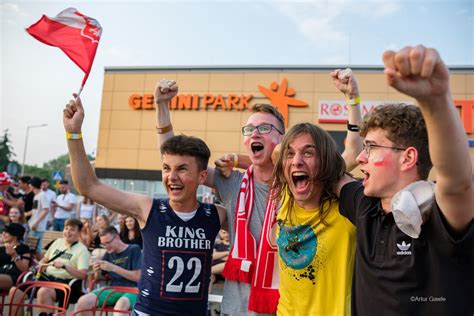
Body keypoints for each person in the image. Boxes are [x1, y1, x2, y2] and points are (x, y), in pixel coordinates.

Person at [335, 46, 474, 315]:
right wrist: (353, 101)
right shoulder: (364, 203)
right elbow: (325, 172)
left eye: (372, 148)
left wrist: (436, 101)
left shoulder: (440, 213)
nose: (361, 159)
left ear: (408, 158)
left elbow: (458, 182)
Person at [63, 94, 227, 315]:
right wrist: (74, 133)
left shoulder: (216, 215)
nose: (172, 177)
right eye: (167, 168)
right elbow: (88, 186)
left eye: (182, 169)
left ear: (202, 176)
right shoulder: (148, 208)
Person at [271, 122, 356, 315]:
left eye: (308, 153)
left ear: (325, 162)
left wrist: (332, 172)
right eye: (290, 153)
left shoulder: (345, 209)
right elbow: (277, 153)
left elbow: (354, 150)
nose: (296, 161)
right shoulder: (286, 196)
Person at [9, 218, 90, 316]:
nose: (68, 232)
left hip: (67, 284)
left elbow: (83, 274)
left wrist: (65, 266)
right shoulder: (57, 242)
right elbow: (45, 259)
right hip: (47, 279)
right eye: (66, 228)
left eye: (72, 229)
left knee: (44, 291)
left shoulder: (82, 250)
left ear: (79, 232)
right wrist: (40, 265)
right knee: (15, 291)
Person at [76, 226, 141, 315]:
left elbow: (137, 277)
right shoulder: (108, 253)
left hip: (133, 289)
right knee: (83, 302)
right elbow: (99, 278)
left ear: (117, 238)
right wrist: (97, 270)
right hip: (113, 289)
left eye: (108, 242)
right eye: (103, 244)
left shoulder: (134, 249)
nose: (106, 246)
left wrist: (113, 268)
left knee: (120, 306)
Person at [0, 223, 31, 290]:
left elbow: (24, 269)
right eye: (3, 231)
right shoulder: (2, 248)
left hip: (14, 276)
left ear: (15, 235)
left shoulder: (23, 248)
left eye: (6, 232)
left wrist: (14, 255)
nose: (3, 234)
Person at [28, 177, 50, 255]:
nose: (28, 186)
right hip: (33, 225)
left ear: (33, 185)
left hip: (37, 227)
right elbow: (35, 211)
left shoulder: (42, 195)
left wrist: (36, 223)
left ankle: (38, 265)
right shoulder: (36, 196)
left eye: (30, 184)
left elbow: (46, 210)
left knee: (36, 249)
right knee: (32, 248)